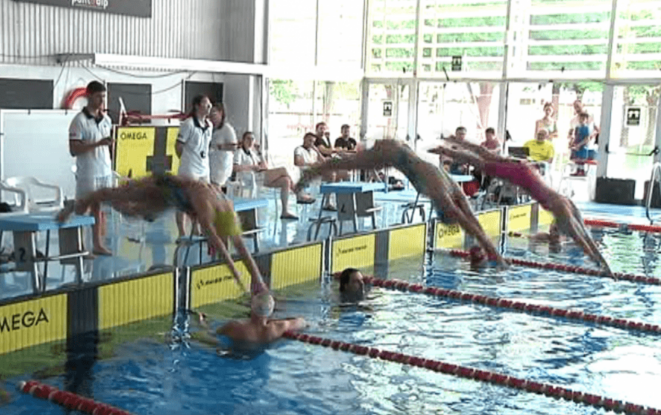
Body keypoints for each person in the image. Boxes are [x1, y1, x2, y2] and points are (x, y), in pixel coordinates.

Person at [295, 140, 506, 267]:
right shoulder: (440, 193)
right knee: (346, 162)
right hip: (394, 154)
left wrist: (488, 248)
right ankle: (307, 176)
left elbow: (470, 219)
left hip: (400, 152)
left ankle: (309, 176)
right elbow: (465, 220)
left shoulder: (451, 189)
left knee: (346, 162)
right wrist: (493, 252)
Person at [57, 173, 268, 294]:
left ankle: (82, 204)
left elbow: (240, 249)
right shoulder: (208, 209)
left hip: (172, 200)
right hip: (163, 187)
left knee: (132, 213)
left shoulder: (227, 213)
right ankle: (77, 204)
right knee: (118, 196)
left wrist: (258, 281)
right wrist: (237, 275)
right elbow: (218, 244)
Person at [429, 137, 612, 274]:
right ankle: (448, 147)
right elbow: (583, 239)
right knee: (481, 161)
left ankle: (451, 144)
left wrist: (600, 263)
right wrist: (601, 264)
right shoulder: (564, 209)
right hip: (529, 179)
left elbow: (583, 238)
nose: (555, 230)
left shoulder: (562, 209)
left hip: (525, 172)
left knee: (483, 158)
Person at [69, 80, 114, 256]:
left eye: (103, 97)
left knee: (98, 208)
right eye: (98, 96)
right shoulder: (78, 121)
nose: (101, 100)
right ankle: (78, 246)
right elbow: (74, 149)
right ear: (89, 96)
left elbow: (105, 145)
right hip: (88, 172)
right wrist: (97, 144)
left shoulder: (107, 121)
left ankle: (97, 244)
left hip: (103, 170)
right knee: (82, 208)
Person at [234, 132, 313, 220]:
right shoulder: (239, 152)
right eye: (248, 139)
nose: (250, 141)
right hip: (249, 178)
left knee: (285, 180)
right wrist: (252, 167)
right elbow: (235, 167)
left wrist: (259, 152)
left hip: (260, 175)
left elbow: (265, 166)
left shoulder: (253, 153)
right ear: (243, 140)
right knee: (283, 169)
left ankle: (285, 211)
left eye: (252, 139)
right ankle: (298, 193)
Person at [208, 292, 307, 348]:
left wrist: (201, 322)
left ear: (252, 308)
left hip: (235, 357)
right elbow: (302, 322)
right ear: (271, 311)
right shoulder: (278, 327)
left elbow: (210, 335)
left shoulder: (235, 327)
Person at [175, 95, 213, 237]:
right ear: (197, 106)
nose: (209, 106)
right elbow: (178, 146)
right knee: (184, 200)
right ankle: (181, 232)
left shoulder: (209, 125)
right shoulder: (188, 124)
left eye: (210, 104)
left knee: (202, 200)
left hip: (204, 168)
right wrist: (186, 161)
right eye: (206, 103)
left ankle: (196, 228)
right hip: (189, 167)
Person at [208, 103, 238, 190]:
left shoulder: (227, 128)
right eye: (210, 115)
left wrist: (220, 147)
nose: (211, 117)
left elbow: (234, 146)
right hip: (211, 163)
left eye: (214, 114)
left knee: (216, 189)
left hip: (221, 165)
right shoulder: (210, 128)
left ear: (221, 113)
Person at [570, 112, 595, 177]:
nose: (582, 120)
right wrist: (573, 143)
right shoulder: (577, 128)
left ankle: (582, 171)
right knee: (576, 159)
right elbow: (575, 136)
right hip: (576, 144)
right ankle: (577, 170)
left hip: (583, 146)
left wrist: (580, 145)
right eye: (580, 118)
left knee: (581, 159)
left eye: (583, 118)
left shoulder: (586, 128)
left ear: (586, 120)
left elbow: (586, 139)